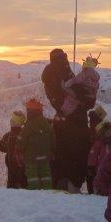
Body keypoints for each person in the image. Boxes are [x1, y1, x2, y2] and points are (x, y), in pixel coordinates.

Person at [42, 48, 92, 192]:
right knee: (75, 156)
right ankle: (69, 186)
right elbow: (64, 98)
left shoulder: (58, 72)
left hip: (66, 121)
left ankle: (63, 185)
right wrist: (82, 103)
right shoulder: (58, 72)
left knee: (64, 157)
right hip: (72, 122)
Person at [20, 99, 55, 190]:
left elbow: (21, 141)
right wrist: (52, 151)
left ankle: (35, 194)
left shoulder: (28, 126)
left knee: (32, 178)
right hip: (45, 157)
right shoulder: (46, 124)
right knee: (46, 176)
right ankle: (48, 193)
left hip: (31, 158)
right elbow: (53, 140)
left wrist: (18, 151)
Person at [88, 120, 111, 193]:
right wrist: (91, 166)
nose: (109, 134)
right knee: (101, 181)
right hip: (100, 169)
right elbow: (93, 155)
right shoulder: (99, 143)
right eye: (107, 132)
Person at [2, 111, 28, 189]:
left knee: (12, 190)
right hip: (23, 170)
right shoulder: (25, 134)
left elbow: (2, 148)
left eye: (12, 119)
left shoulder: (8, 135)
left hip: (13, 170)